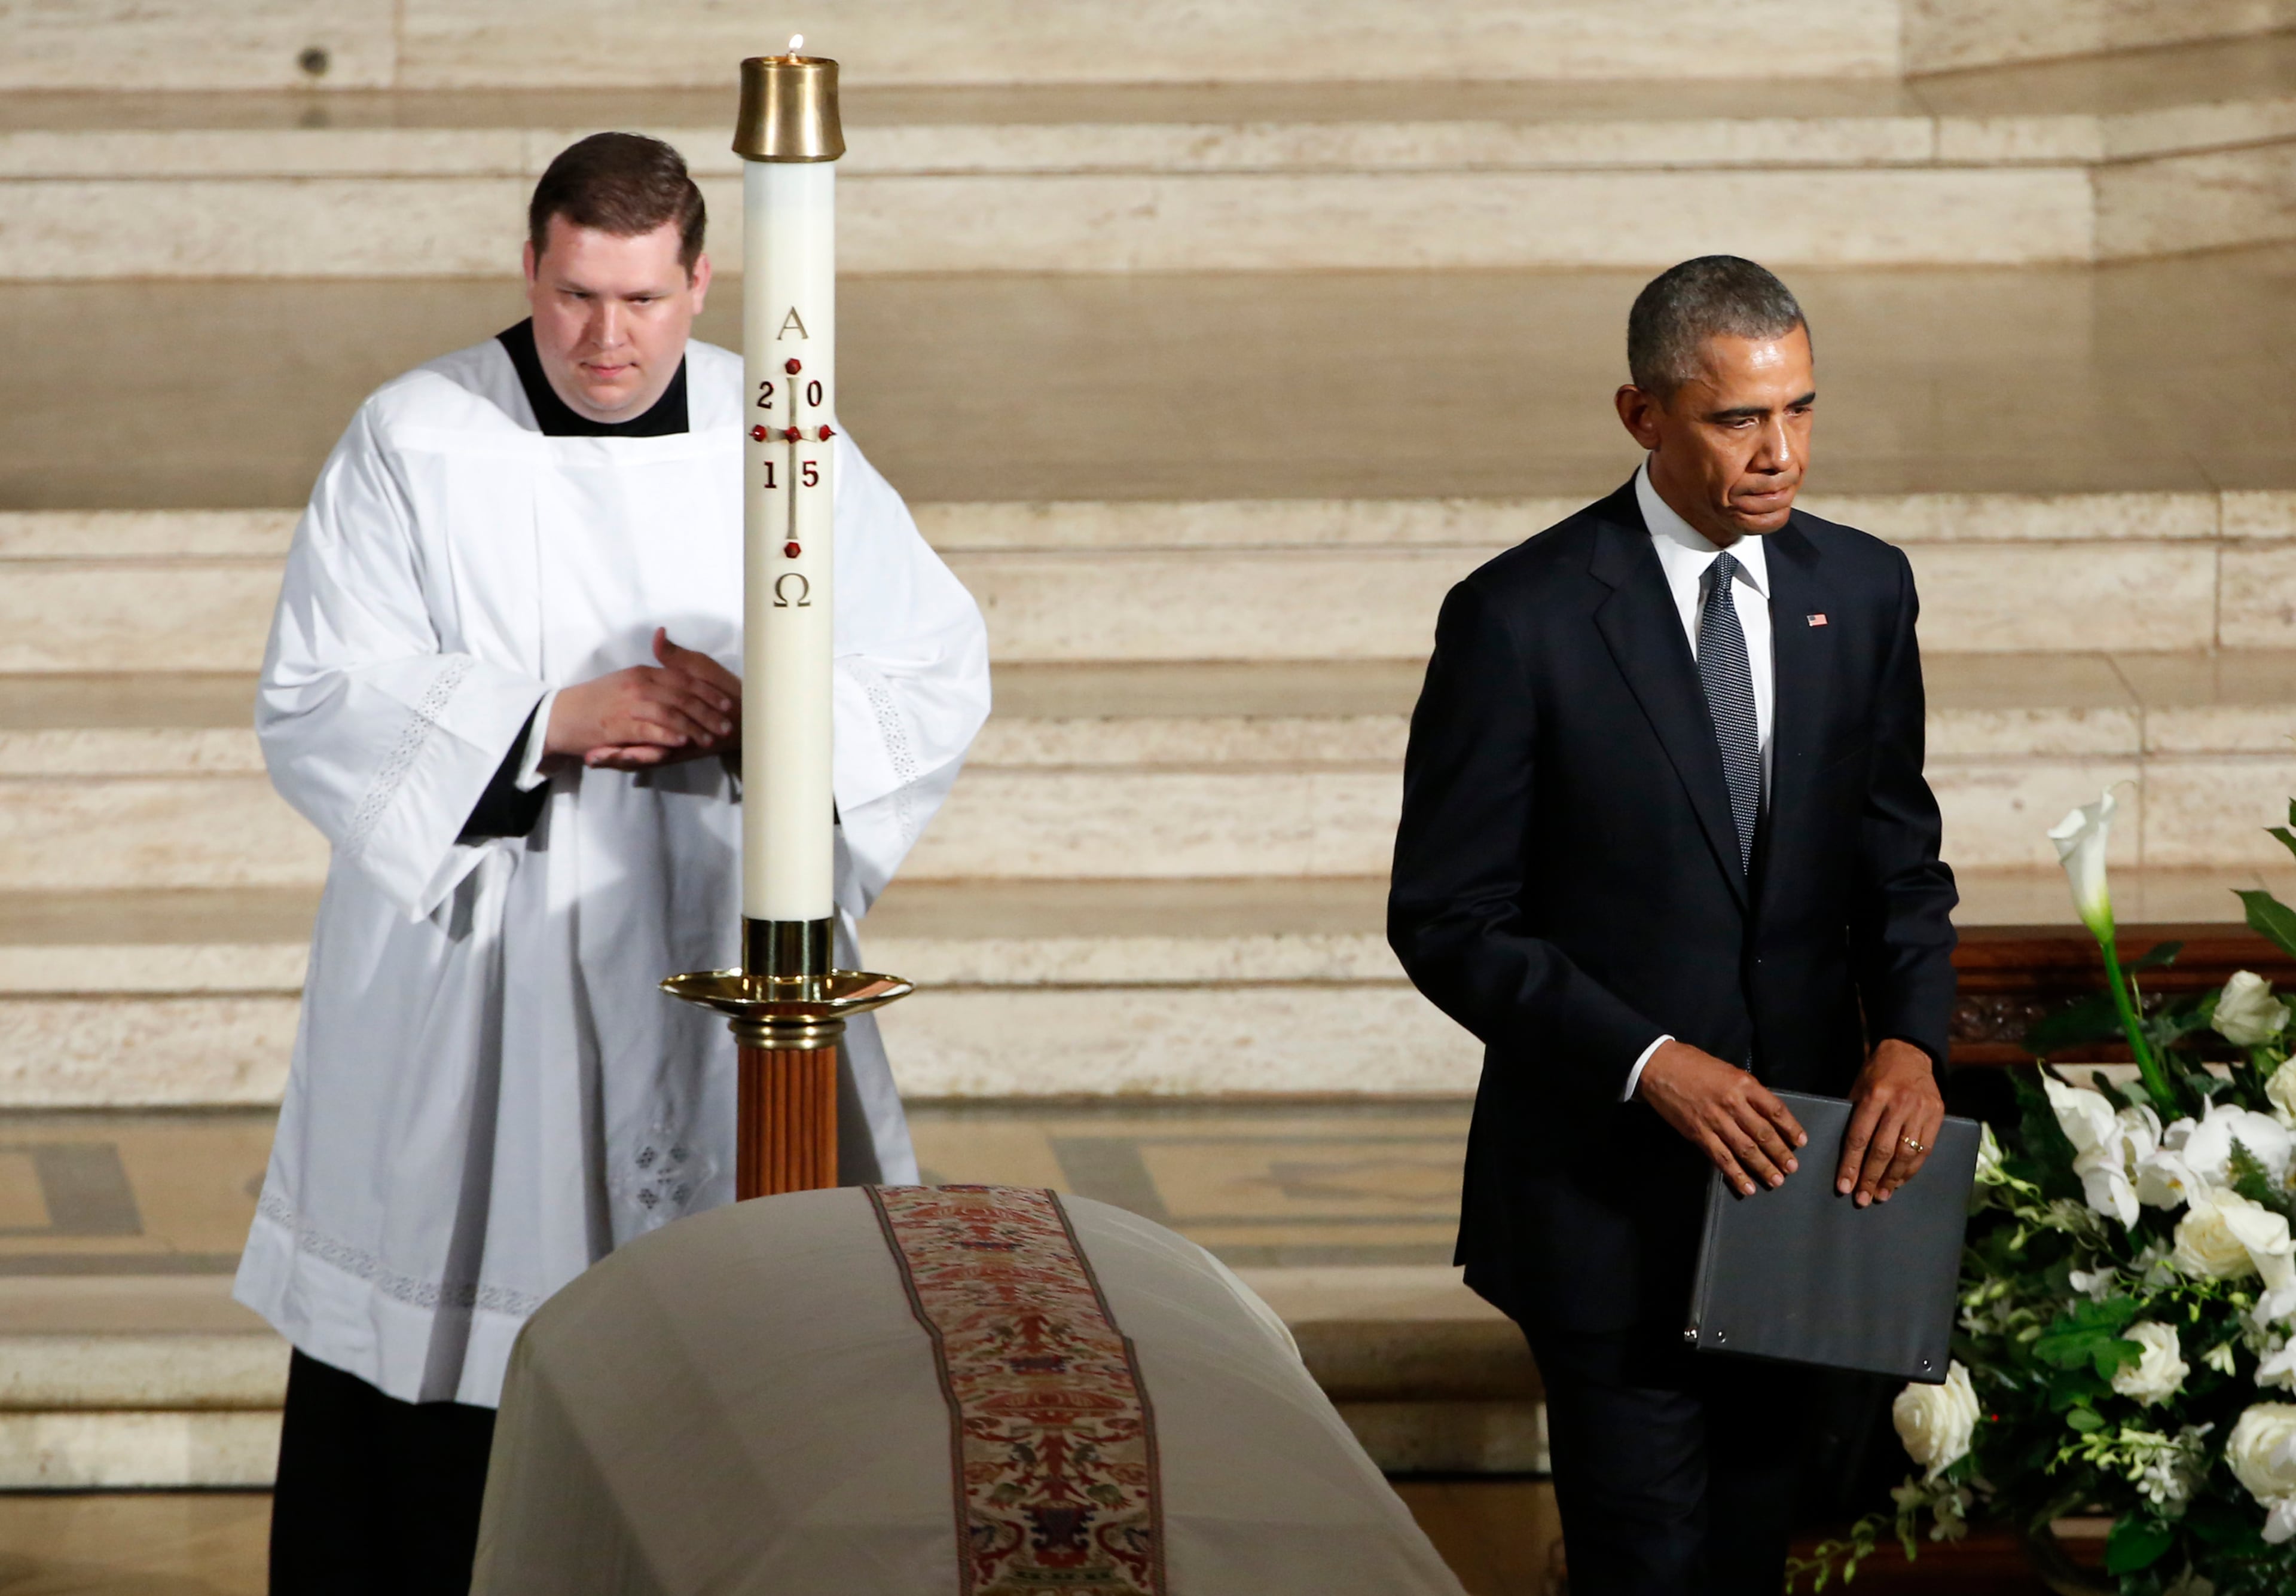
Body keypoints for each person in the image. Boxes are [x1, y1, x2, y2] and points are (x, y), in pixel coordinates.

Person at [236, 132, 991, 1593]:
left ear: (702, 281)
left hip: (710, 916)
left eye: (643, 300)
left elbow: (929, 663)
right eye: (578, 293)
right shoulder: (417, 437)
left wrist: (769, 718)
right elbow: (318, 695)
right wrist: (547, 720)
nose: (605, 336)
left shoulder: (780, 435)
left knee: (747, 1340)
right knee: (447, 1343)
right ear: (532, 266)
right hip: (485, 969)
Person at [1387, 256, 1956, 1595]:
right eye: (1738, 420)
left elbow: (1900, 857)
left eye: (1800, 411)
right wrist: (1651, 1063)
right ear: (1643, 416)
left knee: (1757, 1557)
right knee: (1644, 1567)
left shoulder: (1863, 592)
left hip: (1803, 1198)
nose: (1781, 454)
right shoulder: (1519, 618)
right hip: (1602, 1202)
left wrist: (1912, 1043)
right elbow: (1448, 917)